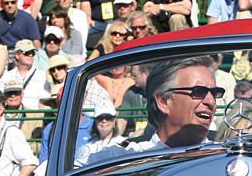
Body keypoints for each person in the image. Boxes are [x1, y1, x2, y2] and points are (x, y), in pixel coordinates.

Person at [81, 56, 219, 167]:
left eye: (215, 93)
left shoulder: (226, 154)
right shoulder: (123, 158)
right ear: (164, 101)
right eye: (199, 92)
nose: (211, 101)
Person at [0, 39, 49, 111]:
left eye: (33, 52)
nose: (30, 55)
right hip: (12, 119)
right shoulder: (6, 77)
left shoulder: (42, 76)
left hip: (33, 118)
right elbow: (0, 101)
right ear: (17, 55)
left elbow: (44, 103)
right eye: (26, 52)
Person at [73, 102, 125, 167]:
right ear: (95, 120)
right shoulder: (89, 145)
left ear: (114, 120)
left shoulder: (122, 143)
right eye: (100, 118)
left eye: (108, 117)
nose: (104, 121)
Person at [118, 61, 150, 137]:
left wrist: (143, 131)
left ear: (146, 74)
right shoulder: (130, 92)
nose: (132, 77)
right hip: (135, 137)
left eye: (134, 75)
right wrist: (116, 136)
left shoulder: (160, 91)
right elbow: (122, 119)